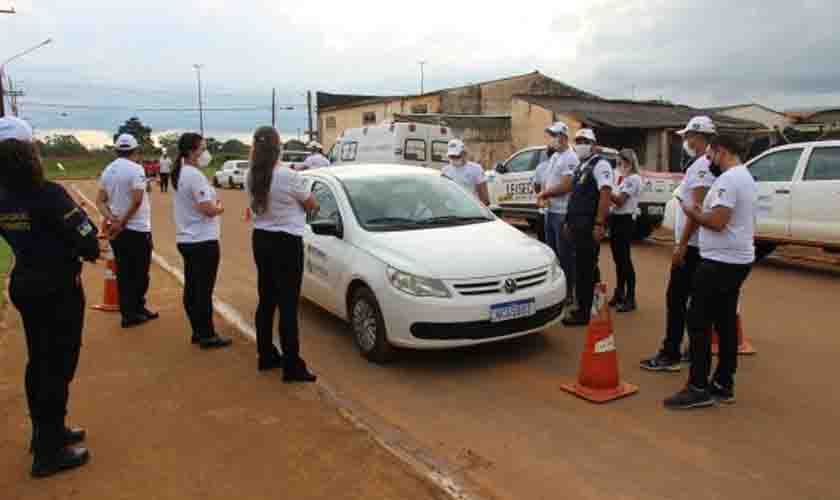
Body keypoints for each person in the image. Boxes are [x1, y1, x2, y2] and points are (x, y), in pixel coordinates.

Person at [0, 116, 100, 478]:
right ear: (29, 152)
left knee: (39, 362)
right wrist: (88, 244)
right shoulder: (48, 193)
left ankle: (47, 431)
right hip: (58, 287)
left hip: (26, 282)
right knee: (58, 366)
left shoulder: (3, 195)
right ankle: (48, 452)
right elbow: (86, 237)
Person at [664, 134, 757, 409]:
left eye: (711, 155)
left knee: (698, 321)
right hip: (735, 260)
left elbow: (717, 221)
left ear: (721, 151)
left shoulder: (729, 180)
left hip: (720, 262)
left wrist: (691, 211)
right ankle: (723, 383)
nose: (709, 161)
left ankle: (698, 386)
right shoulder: (745, 177)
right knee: (725, 322)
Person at [641, 117, 717, 371]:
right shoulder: (703, 163)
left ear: (699, 136)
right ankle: (690, 350)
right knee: (692, 301)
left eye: (687, 137)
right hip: (697, 244)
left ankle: (671, 353)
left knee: (677, 300)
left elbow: (697, 208)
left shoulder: (703, 166)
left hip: (693, 245)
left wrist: (681, 244)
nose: (685, 141)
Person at [246, 126, 319, 382]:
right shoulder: (288, 176)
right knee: (288, 304)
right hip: (286, 242)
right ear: (278, 147)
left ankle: (266, 355)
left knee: (266, 300)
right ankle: (292, 365)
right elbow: (312, 205)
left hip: (261, 239)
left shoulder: (251, 175)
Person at [171, 133, 232, 350]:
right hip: (202, 240)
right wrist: (219, 208)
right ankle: (206, 334)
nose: (205, 153)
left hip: (187, 238)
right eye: (202, 148)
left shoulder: (180, 172)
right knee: (203, 291)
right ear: (191, 151)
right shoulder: (194, 175)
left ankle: (198, 330)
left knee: (192, 287)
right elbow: (207, 208)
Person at [96, 134, 158, 328]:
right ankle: (133, 312)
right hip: (136, 228)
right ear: (135, 150)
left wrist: (112, 219)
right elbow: (137, 200)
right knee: (140, 272)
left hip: (119, 230)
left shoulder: (108, 170)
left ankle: (133, 310)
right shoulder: (136, 169)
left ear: (117, 150)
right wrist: (122, 222)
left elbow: (100, 201)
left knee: (124, 272)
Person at [561, 128, 614, 327]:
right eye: (578, 141)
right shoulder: (581, 166)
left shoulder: (600, 165)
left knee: (585, 269)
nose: (580, 144)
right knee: (587, 267)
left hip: (589, 225)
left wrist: (600, 223)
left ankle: (583, 312)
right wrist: (568, 221)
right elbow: (574, 197)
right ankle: (596, 306)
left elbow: (605, 193)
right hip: (576, 224)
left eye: (585, 141)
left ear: (593, 145)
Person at [536, 122, 579, 306]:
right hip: (550, 210)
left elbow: (567, 185)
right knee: (552, 254)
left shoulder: (570, 157)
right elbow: (547, 180)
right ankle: (557, 291)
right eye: (551, 135)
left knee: (565, 255)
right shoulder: (555, 156)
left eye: (554, 135)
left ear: (563, 137)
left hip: (562, 212)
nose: (552, 139)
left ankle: (568, 292)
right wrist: (544, 194)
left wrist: (545, 194)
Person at [608, 149, 643, 312]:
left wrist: (605, 190)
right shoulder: (624, 178)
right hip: (616, 219)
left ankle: (630, 297)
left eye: (620, 162)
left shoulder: (634, 179)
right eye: (618, 163)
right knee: (618, 259)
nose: (619, 166)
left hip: (625, 220)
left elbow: (620, 201)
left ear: (629, 162)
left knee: (624, 260)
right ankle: (620, 292)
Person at [441, 139, 490, 205]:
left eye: (457, 156)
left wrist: (482, 208)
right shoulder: (445, 171)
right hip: (452, 208)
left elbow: (484, 196)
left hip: (471, 208)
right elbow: (443, 194)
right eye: (452, 156)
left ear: (464, 153)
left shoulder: (476, 169)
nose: (454, 158)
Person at [531, 144, 555, 243]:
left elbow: (536, 185)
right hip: (557, 211)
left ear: (547, 154)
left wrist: (541, 195)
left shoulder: (541, 167)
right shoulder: (563, 165)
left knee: (543, 242)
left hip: (544, 210)